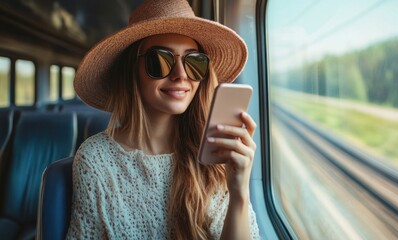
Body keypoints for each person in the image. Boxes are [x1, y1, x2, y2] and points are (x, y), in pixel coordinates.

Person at [66, 0, 260, 239]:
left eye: (194, 62)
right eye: (160, 60)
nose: (180, 75)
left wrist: (239, 192)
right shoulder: (95, 161)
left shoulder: (216, 155)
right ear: (132, 69)